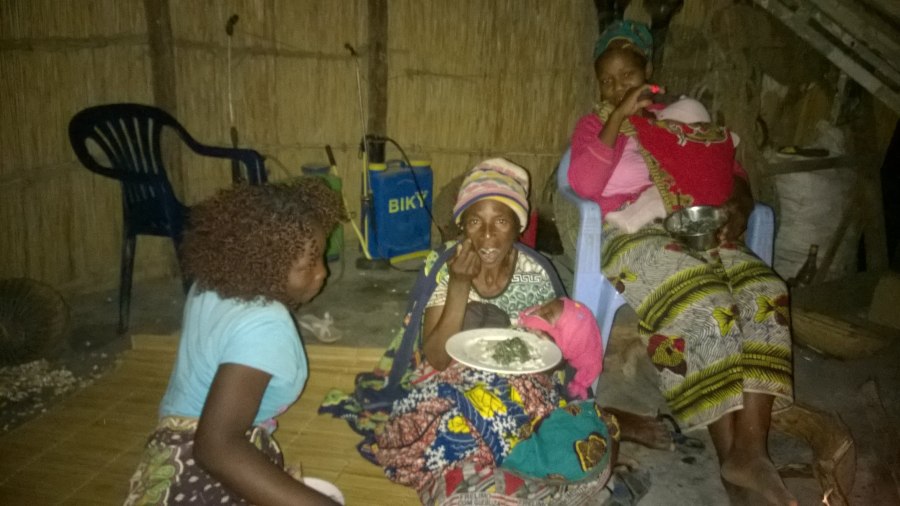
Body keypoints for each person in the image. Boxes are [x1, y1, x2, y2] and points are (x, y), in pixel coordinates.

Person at [567, 19, 796, 506]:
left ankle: (751, 452)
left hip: (696, 221)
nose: (618, 87)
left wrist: (740, 203)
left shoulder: (680, 116)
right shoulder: (594, 126)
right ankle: (734, 466)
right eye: (607, 81)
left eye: (627, 76)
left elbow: (727, 169)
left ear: (648, 71)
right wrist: (618, 118)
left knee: (765, 290)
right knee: (703, 301)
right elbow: (584, 184)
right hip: (633, 232)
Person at [321, 158, 623, 505]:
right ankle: (519, 480)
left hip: (518, 386)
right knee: (442, 427)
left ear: (519, 225)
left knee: (562, 435)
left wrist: (540, 348)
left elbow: (553, 362)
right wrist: (459, 285)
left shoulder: (536, 273)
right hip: (451, 380)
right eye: (475, 221)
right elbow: (437, 358)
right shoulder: (445, 266)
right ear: (461, 224)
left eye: (502, 221)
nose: (488, 235)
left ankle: (491, 479)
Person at [125, 179, 346, 506]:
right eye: (307, 265)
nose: (322, 272)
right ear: (266, 265)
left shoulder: (213, 281)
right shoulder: (267, 326)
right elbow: (215, 447)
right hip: (197, 462)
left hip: (164, 448)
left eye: (322, 256)